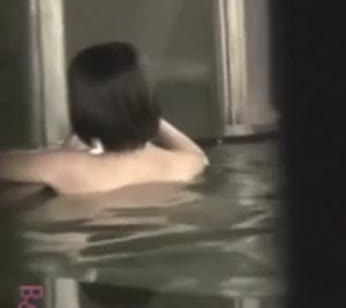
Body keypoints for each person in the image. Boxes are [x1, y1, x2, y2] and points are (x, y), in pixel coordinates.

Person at [0, 42, 208, 195]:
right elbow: (199, 155)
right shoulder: (185, 164)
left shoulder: (64, 167)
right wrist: (142, 110)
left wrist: (65, 149)